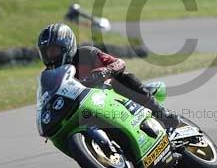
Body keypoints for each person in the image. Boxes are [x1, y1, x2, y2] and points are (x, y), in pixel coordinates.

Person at [36, 22, 180, 130]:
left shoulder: (86, 53)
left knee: (126, 78)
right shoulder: (50, 75)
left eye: (53, 51)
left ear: (67, 46)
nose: (50, 56)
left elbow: (119, 63)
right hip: (84, 109)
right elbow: (47, 97)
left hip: (108, 92)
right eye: (46, 52)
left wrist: (105, 72)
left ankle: (162, 114)